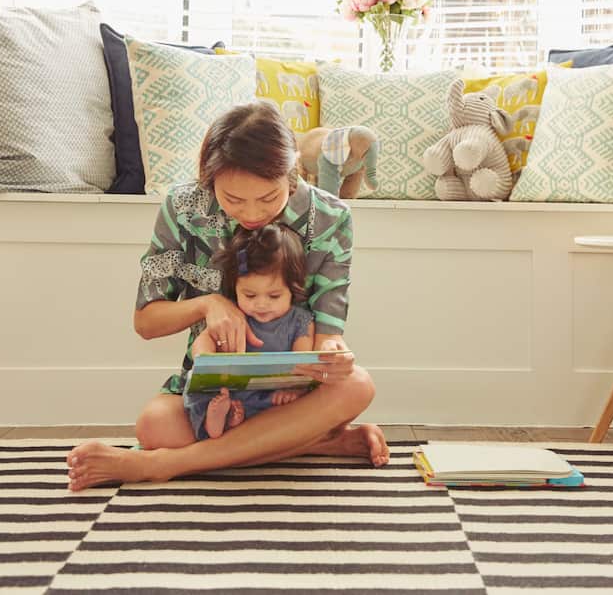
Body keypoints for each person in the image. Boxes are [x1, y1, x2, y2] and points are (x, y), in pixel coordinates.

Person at [67, 101, 389, 491]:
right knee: (153, 425)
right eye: (233, 200)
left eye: (268, 199)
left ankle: (164, 465)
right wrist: (209, 303)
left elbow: (328, 332)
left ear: (290, 177)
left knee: (358, 385)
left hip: (291, 399)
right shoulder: (182, 209)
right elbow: (146, 322)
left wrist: (333, 355)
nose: (251, 213)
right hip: (213, 396)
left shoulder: (330, 217)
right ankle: (318, 443)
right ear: (209, 179)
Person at [185, 224, 315, 441]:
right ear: (234, 288)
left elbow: (302, 363)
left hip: (272, 399)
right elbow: (203, 340)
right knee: (197, 385)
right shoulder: (234, 315)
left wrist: (295, 390)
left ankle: (236, 421)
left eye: (274, 296)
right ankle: (218, 420)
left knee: (302, 405)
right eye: (249, 295)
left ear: (293, 289)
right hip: (232, 393)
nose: (261, 305)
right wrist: (205, 360)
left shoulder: (300, 321)